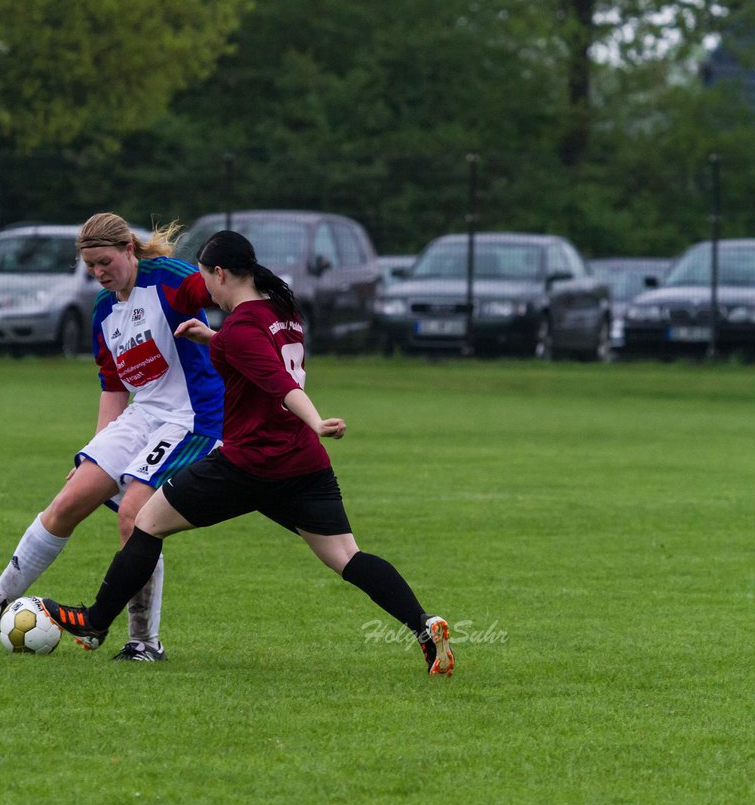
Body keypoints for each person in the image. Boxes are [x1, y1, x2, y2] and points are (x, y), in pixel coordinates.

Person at [42, 229, 454, 675]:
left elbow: (278, 383)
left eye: (206, 279)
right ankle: (424, 625)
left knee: (145, 523)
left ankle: (93, 622)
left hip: (246, 465)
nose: (206, 292)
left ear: (220, 273)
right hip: (302, 466)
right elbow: (254, 351)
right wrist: (210, 339)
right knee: (347, 557)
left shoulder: (239, 329)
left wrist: (315, 420)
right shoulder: (281, 310)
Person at [0, 212, 225, 662]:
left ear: (128, 249)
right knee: (70, 499)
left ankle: (143, 641)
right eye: (91, 268)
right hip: (143, 416)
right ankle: (0, 598)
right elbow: (114, 385)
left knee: (136, 517)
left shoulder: (169, 280)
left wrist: (259, 324)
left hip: (193, 418)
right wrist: (97, 453)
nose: (100, 274)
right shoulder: (104, 310)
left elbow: (222, 287)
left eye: (106, 263)